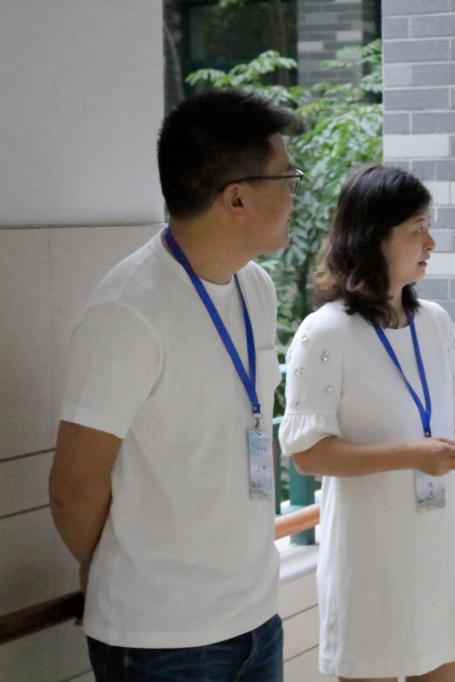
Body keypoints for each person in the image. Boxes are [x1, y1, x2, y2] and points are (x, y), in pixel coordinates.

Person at [48, 89, 301, 681]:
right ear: (236, 197)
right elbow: (73, 484)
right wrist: (123, 571)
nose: (295, 194)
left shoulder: (255, 288)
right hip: (161, 640)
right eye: (287, 179)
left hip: (256, 618)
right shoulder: (128, 309)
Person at [278, 164, 455, 682]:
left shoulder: (434, 321)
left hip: (436, 551)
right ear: (372, 237)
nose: (430, 242)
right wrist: (412, 455)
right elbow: (306, 453)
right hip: (370, 561)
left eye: (428, 227)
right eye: (416, 230)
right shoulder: (324, 333)